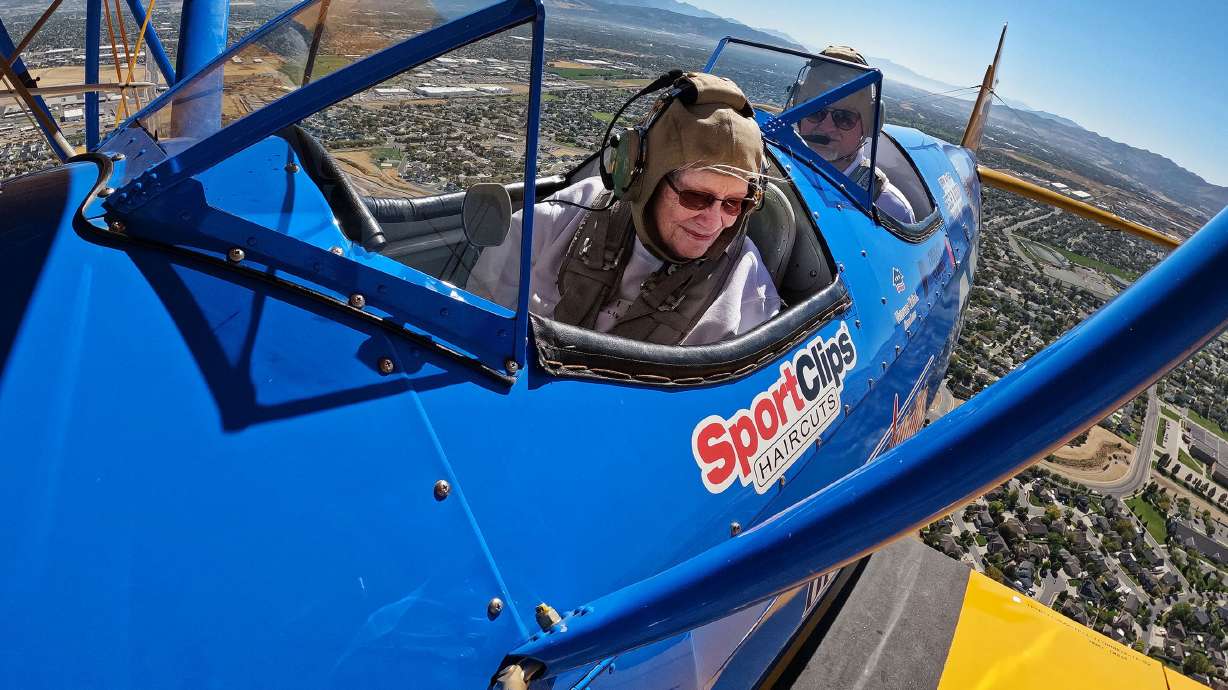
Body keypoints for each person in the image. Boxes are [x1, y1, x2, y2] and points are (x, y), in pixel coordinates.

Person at [467, 72, 781, 346]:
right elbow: (478, 324)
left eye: (734, 203)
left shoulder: (748, 292)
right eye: (695, 198)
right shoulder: (558, 221)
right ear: (640, 178)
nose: (714, 222)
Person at [791, 45, 916, 224]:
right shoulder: (772, 165)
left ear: (869, 125)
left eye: (844, 118)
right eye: (815, 111)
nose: (826, 127)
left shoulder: (890, 208)